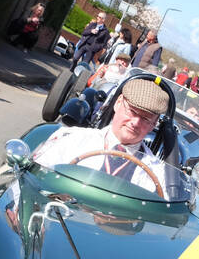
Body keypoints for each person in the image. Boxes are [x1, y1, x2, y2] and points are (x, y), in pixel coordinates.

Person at [33, 75, 173, 195]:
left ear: (153, 124)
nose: (135, 122)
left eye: (146, 119)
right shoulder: (72, 139)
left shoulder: (155, 173)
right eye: (132, 111)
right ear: (118, 104)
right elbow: (32, 179)